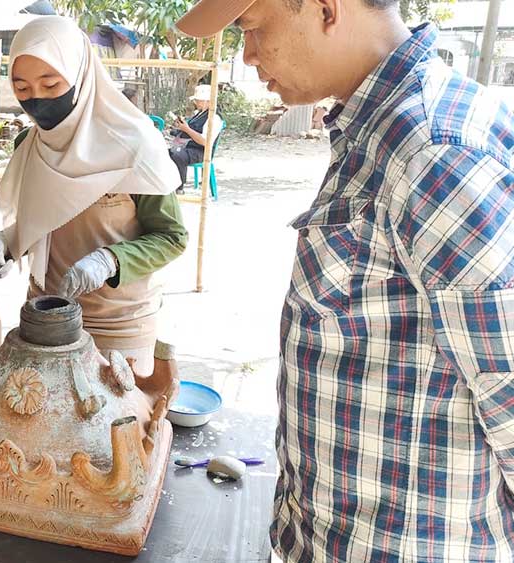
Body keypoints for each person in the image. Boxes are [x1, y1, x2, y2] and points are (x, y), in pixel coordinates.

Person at [178, 0, 514, 561]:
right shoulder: (379, 128)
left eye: (252, 29)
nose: (249, 55)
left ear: (325, 8)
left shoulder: (432, 148)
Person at [0, 16, 187, 375]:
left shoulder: (134, 146)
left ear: (80, 73)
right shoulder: (29, 146)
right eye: (22, 88)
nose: (37, 99)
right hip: (45, 318)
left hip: (118, 324)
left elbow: (171, 237)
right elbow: (45, 219)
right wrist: (6, 242)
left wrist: (110, 260)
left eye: (51, 83)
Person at [167, 84, 223, 194]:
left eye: (198, 100)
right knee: (166, 153)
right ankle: (168, 185)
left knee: (178, 155)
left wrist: (187, 129)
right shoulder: (199, 113)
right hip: (189, 146)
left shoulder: (214, 118)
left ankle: (179, 188)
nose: (196, 103)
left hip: (201, 151)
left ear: (207, 101)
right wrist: (181, 127)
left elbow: (205, 141)